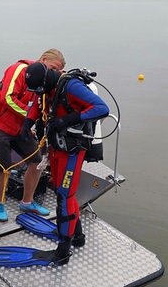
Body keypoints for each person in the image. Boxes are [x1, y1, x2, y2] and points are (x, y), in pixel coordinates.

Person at [23, 61, 109, 264]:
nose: (39, 92)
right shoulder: (46, 88)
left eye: (40, 89)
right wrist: (28, 122)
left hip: (72, 150)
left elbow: (101, 108)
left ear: (46, 80)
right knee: (59, 189)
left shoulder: (71, 86)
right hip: (57, 146)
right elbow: (38, 103)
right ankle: (77, 237)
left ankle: (62, 251)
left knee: (65, 195)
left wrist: (67, 120)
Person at [0, 49, 66, 222]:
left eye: (56, 71)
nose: (52, 72)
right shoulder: (19, 69)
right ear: (43, 59)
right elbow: (8, 98)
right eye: (52, 67)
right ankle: (0, 203)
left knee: (36, 161)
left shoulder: (44, 79)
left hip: (20, 128)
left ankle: (27, 201)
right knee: (3, 168)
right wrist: (30, 117)